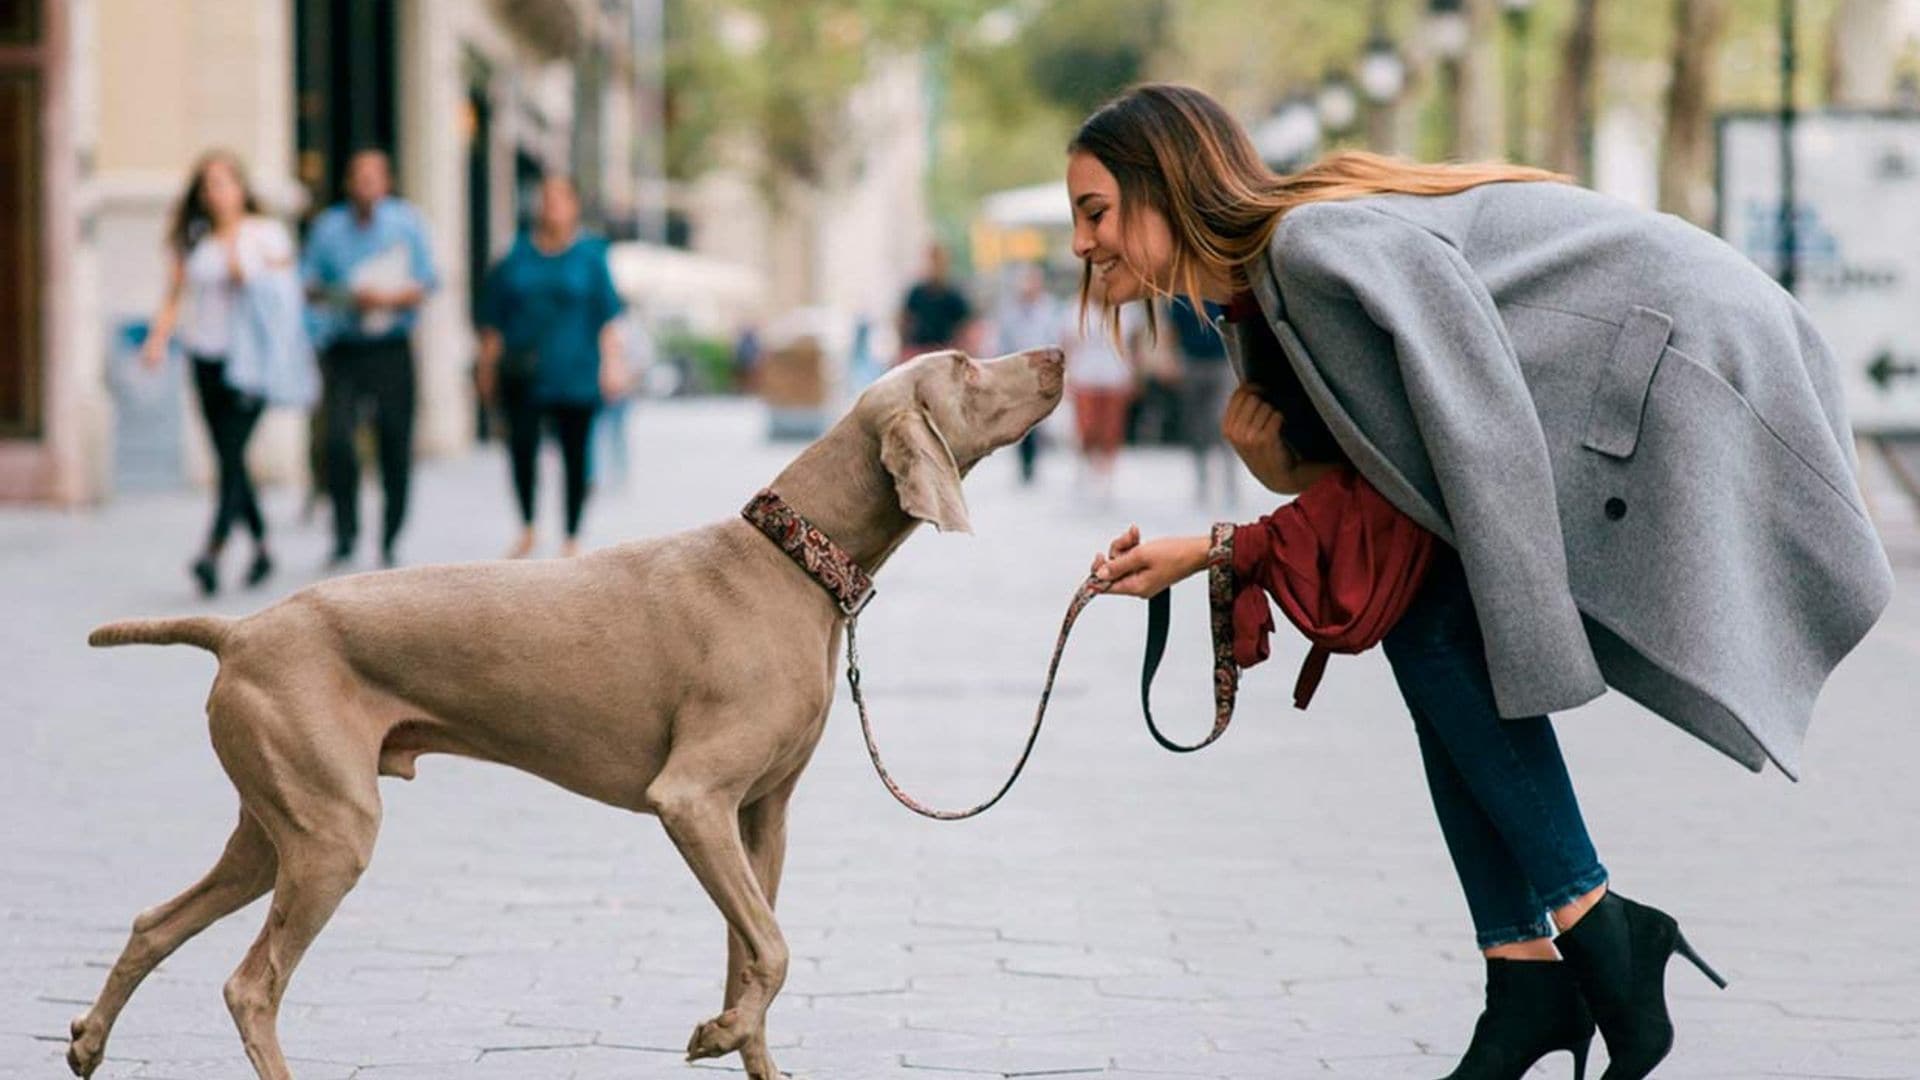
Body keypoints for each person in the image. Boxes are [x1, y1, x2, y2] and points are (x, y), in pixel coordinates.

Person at [1069, 85, 1890, 1080]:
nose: (1083, 243)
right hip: (1631, 367)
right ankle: (1531, 977)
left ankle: (1590, 932)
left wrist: (1219, 546)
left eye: (1097, 211)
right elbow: (1391, 477)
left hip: (1685, 360)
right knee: (1430, 623)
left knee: (1434, 626)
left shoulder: (1310, 250)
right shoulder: (1259, 297)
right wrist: (1271, 489)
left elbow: (1469, 434)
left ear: (1165, 186)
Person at [140, 151, 297, 596]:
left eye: (224, 183)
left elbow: (275, 291)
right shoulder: (192, 238)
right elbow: (174, 294)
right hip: (206, 357)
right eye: (208, 185)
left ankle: (213, 549)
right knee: (229, 458)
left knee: (231, 455)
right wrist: (157, 339)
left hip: (251, 363)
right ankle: (264, 547)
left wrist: (235, 243)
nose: (216, 193)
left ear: (242, 188)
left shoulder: (266, 234)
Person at [475, 175, 627, 559]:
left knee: (576, 455)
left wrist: (612, 365)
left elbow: (607, 317)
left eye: (560, 199)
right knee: (521, 449)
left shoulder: (591, 256)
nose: (552, 207)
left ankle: (571, 535)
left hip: (576, 369)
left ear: (574, 206)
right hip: (524, 371)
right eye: (546, 199)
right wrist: (486, 367)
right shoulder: (516, 256)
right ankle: (527, 526)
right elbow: (494, 318)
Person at [302, 148, 439, 569]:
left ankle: (390, 536)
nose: (367, 186)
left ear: (387, 182)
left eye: (374, 177)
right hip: (345, 348)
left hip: (392, 348)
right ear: (348, 184)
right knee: (338, 441)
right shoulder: (328, 229)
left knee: (395, 442)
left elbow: (428, 282)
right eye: (359, 178)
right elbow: (309, 286)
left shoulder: (406, 223)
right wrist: (349, 297)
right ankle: (345, 533)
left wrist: (390, 298)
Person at [1063, 277, 1141, 505]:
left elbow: (1134, 344)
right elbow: (1068, 343)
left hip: (1115, 375)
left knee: (1111, 428)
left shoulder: (1126, 308)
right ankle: (1086, 466)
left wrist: (1136, 373)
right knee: (1087, 426)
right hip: (1085, 376)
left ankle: (1107, 474)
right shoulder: (1077, 309)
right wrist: (1066, 375)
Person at [993, 263, 1063, 484]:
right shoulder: (1010, 311)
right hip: (1019, 371)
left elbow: (1058, 337)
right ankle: (1024, 462)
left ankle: (1033, 461)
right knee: (1020, 419)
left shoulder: (1051, 309)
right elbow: (1003, 342)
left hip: (1043, 372)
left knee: (1038, 419)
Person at [1167, 296, 1236, 508]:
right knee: (1196, 424)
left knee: (1224, 421)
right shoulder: (1179, 296)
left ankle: (1229, 481)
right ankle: (1202, 478)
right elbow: (1172, 330)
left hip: (1222, 362)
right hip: (1192, 361)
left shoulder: (1217, 288)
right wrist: (1173, 359)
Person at [897, 243, 973, 363]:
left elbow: (964, 330)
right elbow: (904, 322)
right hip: (917, 354)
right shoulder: (916, 294)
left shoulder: (954, 297)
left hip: (944, 355)